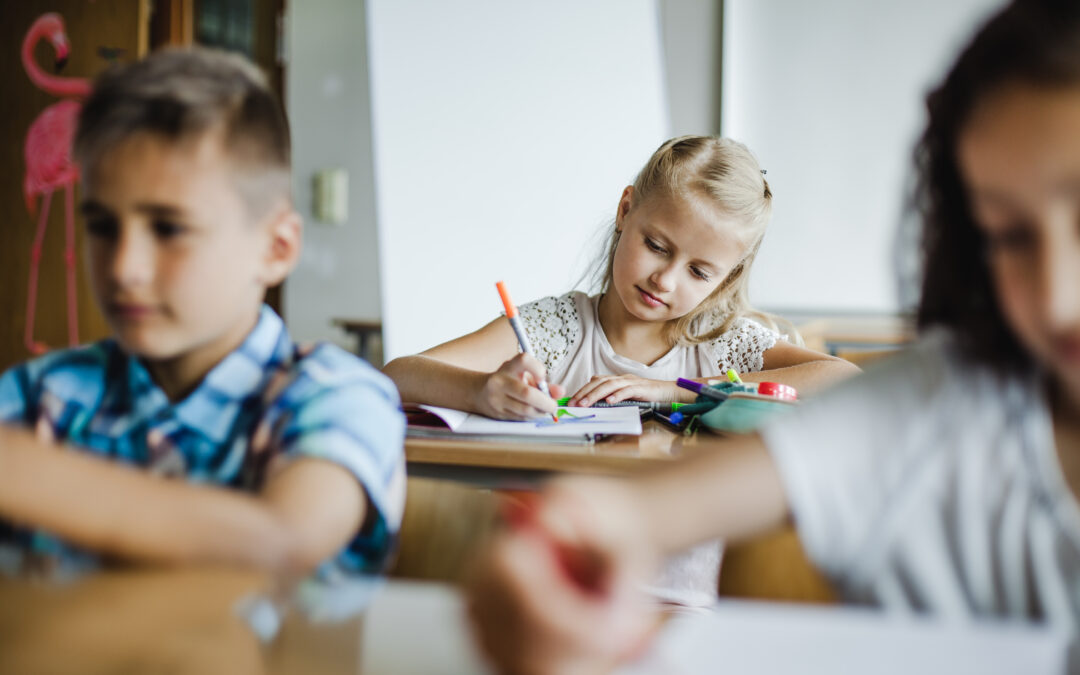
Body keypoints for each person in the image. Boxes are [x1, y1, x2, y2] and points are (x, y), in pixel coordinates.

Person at [466, 0, 1080, 672]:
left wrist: (672, 389)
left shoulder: (733, 343)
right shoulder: (937, 400)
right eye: (1006, 235)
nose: (1056, 296)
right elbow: (635, 513)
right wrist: (564, 535)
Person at [0, 47, 405, 579]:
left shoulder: (334, 394)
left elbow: (282, 541)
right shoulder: (42, 392)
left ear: (276, 249)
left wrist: (26, 475)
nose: (124, 268)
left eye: (169, 229)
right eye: (102, 227)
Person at [383, 135, 857, 421]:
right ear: (625, 210)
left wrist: (675, 391)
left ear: (726, 277)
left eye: (697, 271)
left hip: (691, 584)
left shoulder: (725, 345)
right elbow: (398, 375)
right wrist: (480, 391)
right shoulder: (556, 329)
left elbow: (845, 379)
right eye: (656, 246)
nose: (665, 280)